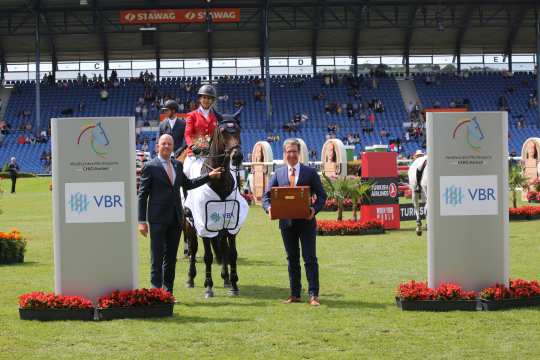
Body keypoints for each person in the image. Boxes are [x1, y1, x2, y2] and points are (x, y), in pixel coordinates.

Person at [138, 134, 223, 296]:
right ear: (157, 146)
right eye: (163, 144)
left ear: (172, 147)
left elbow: (189, 184)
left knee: (171, 258)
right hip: (157, 220)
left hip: (176, 219)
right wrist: (141, 221)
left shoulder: (177, 165)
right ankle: (156, 293)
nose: (166, 146)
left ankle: (168, 292)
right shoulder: (150, 166)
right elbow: (142, 195)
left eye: (169, 144)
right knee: (156, 258)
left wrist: (208, 176)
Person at [262, 138, 327, 306]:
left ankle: (313, 295)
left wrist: (313, 210)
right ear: (284, 154)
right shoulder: (279, 173)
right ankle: (295, 294)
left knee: (309, 258)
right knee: (292, 259)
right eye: (288, 152)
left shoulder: (310, 173)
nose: (291, 154)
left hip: (306, 223)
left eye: (294, 151)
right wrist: (269, 209)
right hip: (286, 224)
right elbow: (265, 197)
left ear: (299, 153)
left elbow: (322, 196)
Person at [183, 84, 221, 178]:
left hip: (211, 154)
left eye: (209, 98)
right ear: (200, 99)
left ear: (212, 100)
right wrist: (192, 146)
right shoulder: (192, 115)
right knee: (185, 171)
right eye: (204, 97)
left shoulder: (217, 117)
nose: (206, 100)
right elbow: (188, 134)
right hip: (195, 153)